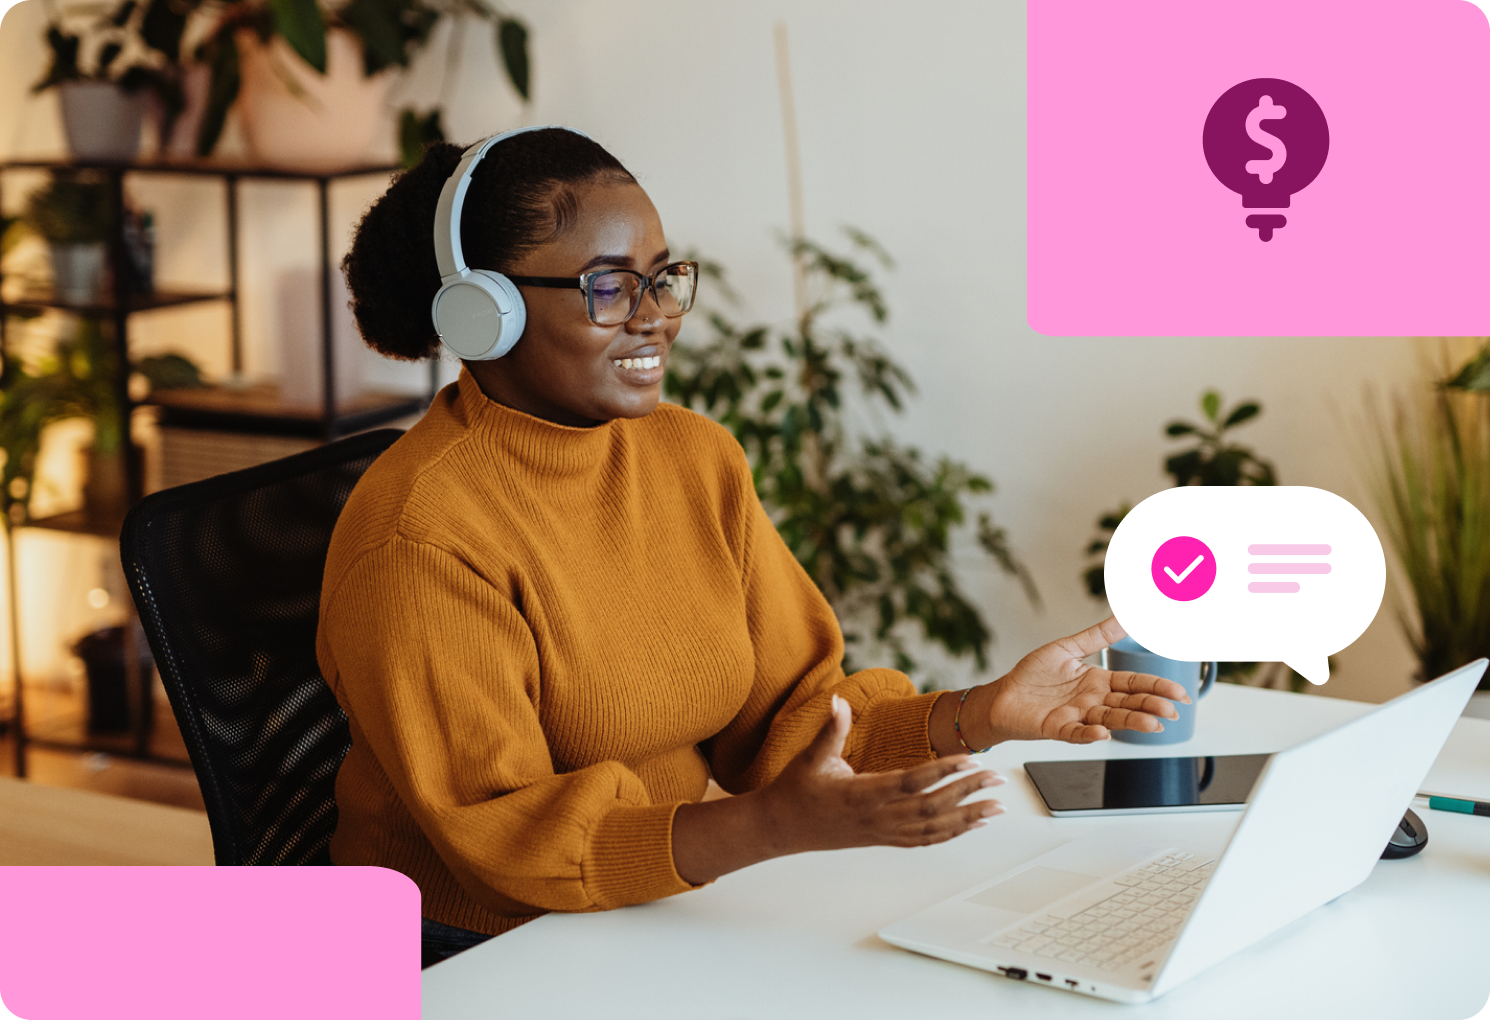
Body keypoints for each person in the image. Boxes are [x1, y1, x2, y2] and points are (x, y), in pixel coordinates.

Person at [325, 128, 1188, 968]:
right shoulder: (424, 534)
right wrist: (769, 828)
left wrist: (978, 713)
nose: (657, 318)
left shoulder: (691, 457)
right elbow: (506, 839)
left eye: (664, 280)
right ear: (486, 313)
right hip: (478, 951)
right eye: (610, 288)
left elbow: (791, 715)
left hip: (648, 908)